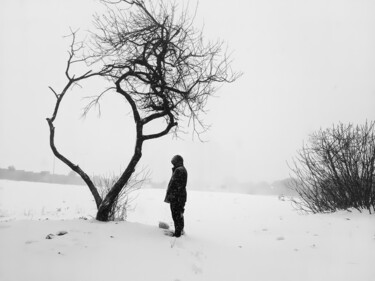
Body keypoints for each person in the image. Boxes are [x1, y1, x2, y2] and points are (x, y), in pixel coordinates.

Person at [164, 155, 188, 237]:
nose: (173, 164)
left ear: (178, 162)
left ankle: (178, 233)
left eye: (174, 162)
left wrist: (172, 196)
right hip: (179, 197)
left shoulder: (179, 170)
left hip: (177, 197)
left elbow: (175, 185)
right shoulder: (181, 169)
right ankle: (180, 230)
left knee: (176, 214)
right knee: (179, 214)